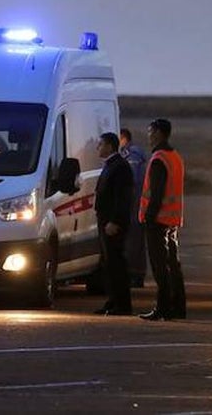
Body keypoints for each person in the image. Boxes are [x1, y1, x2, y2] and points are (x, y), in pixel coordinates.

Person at [138, 118, 186, 321]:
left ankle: (163, 307)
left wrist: (149, 216)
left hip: (158, 221)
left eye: (150, 132)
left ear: (158, 133)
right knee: (173, 265)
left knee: (160, 268)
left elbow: (156, 193)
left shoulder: (158, 159)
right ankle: (178, 307)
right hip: (172, 220)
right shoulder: (175, 157)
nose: (148, 136)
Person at [93, 131, 134, 316]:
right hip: (104, 222)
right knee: (108, 263)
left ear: (109, 146)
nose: (97, 148)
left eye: (100, 144)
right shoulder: (110, 165)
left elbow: (122, 198)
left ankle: (123, 304)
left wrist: (115, 221)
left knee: (116, 263)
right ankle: (112, 300)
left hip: (112, 224)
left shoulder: (120, 167)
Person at [120, 127, 149, 288]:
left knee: (134, 240)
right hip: (136, 203)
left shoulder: (132, 156)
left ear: (123, 138)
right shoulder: (133, 154)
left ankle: (136, 274)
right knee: (134, 240)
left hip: (135, 203)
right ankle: (136, 273)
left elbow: (133, 181)